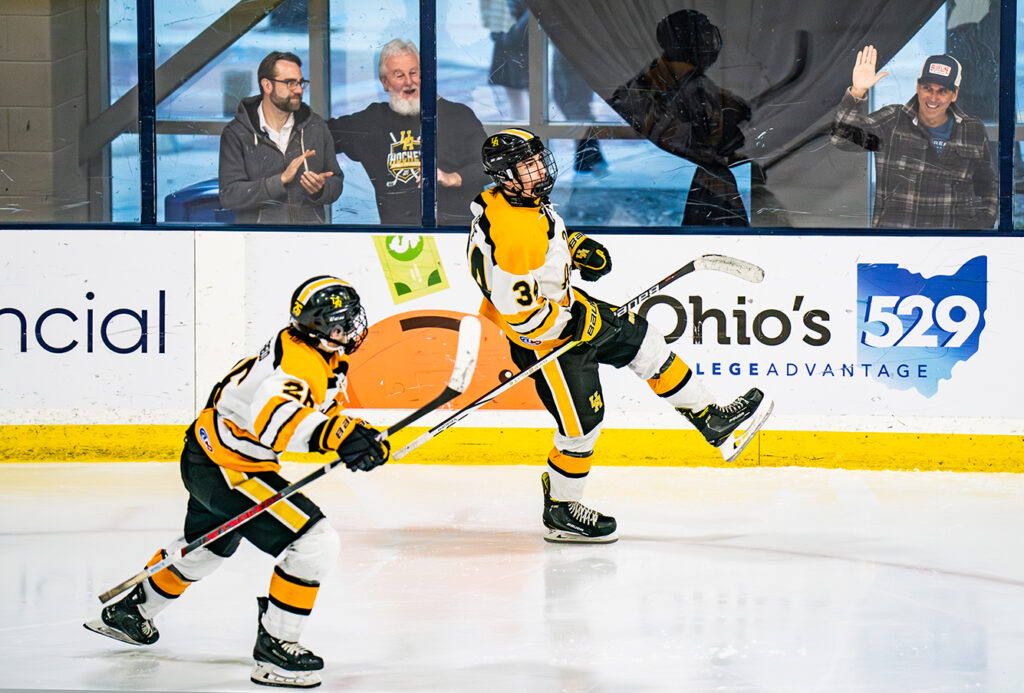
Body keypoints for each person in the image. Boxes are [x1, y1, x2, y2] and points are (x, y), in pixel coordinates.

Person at [467, 129, 773, 544]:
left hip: (571, 308)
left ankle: (712, 419)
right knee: (582, 427)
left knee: (643, 342)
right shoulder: (512, 235)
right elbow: (519, 315)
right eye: (527, 166)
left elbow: (546, 238)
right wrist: (574, 326)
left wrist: (575, 246)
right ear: (505, 175)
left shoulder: (519, 202)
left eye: (539, 160)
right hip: (546, 342)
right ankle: (561, 509)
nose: (540, 170)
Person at [84, 276, 391, 689]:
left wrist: (355, 433)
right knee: (313, 542)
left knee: (210, 547)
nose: (355, 327)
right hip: (230, 469)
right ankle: (276, 652)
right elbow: (275, 415)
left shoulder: (312, 350)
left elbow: (316, 409)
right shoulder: (300, 363)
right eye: (346, 321)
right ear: (326, 328)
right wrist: (337, 437)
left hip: (207, 454)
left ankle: (130, 613)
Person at [609, 10, 753, 226]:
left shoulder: (671, 79)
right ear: (688, 43)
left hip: (673, 188)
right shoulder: (659, 87)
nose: (709, 44)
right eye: (703, 38)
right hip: (668, 189)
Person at [830, 46, 997, 229]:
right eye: (927, 88)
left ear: (954, 94)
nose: (933, 98)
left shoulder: (972, 129)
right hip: (897, 244)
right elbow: (842, 139)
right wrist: (857, 92)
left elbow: (987, 184)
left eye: (942, 91)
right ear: (918, 87)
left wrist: (981, 228)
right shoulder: (893, 120)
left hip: (952, 248)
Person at [327, 39, 489, 226]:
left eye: (414, 73)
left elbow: (488, 166)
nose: (409, 82)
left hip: (455, 235)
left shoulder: (459, 115)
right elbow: (320, 133)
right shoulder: (370, 121)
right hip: (397, 242)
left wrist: (451, 178)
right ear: (385, 83)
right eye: (399, 75)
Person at [219, 51, 343, 224]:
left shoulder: (316, 126)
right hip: (260, 241)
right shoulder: (236, 133)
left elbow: (336, 181)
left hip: (310, 240)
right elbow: (230, 196)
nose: (299, 90)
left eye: (301, 83)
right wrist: (280, 181)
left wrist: (321, 189)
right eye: (290, 83)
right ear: (267, 85)